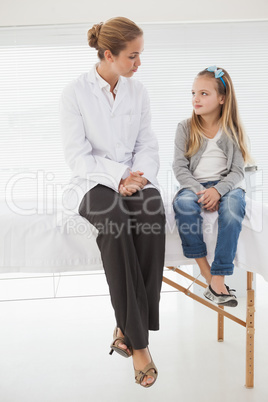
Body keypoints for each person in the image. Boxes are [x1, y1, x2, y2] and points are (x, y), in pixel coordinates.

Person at [59, 17, 165, 388]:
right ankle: (140, 346)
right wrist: (118, 177)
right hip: (93, 180)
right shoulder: (75, 93)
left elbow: (147, 143)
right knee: (116, 221)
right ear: (109, 54)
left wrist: (139, 177)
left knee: (153, 213)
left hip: (136, 176)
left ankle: (125, 326)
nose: (139, 63)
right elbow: (78, 156)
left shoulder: (138, 91)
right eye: (133, 56)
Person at [172, 66, 252, 307]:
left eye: (204, 93)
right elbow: (179, 167)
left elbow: (237, 171)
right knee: (184, 205)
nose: (196, 98)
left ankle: (219, 277)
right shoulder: (185, 128)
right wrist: (200, 190)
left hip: (224, 186)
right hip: (193, 185)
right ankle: (208, 275)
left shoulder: (232, 130)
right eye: (194, 93)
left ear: (222, 98)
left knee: (234, 207)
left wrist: (218, 190)